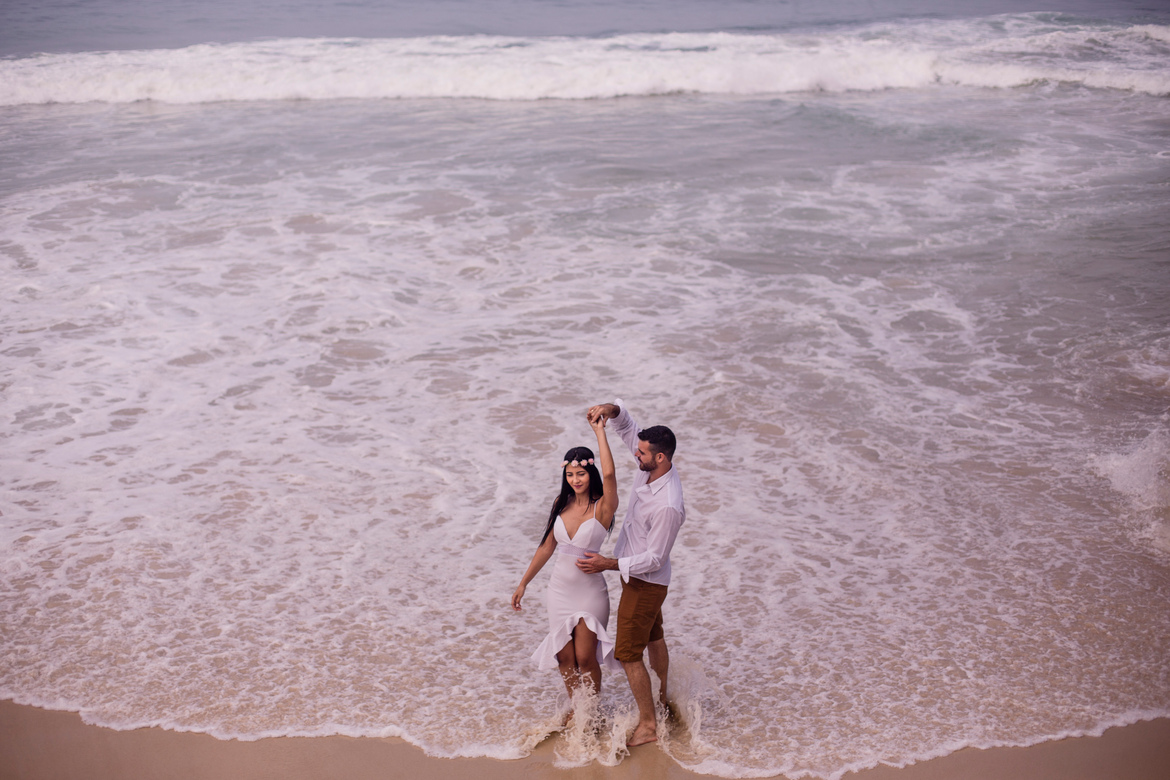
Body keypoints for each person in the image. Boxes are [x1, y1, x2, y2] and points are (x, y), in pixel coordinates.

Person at [578, 399, 684, 747]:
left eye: (642, 453)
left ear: (660, 457)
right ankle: (663, 699)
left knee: (627, 653)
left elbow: (654, 558)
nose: (635, 455)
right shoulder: (650, 466)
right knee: (654, 636)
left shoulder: (668, 505)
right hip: (641, 579)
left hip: (645, 582)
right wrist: (610, 409)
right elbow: (626, 428)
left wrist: (608, 563)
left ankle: (649, 725)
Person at [512, 413, 621, 718]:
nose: (575, 480)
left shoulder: (603, 506)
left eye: (581, 474)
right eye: (570, 475)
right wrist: (524, 583)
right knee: (564, 658)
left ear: (590, 473)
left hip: (590, 592)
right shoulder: (561, 502)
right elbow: (547, 546)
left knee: (585, 658)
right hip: (559, 590)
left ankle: (593, 711)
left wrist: (599, 432)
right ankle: (578, 709)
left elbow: (610, 474)